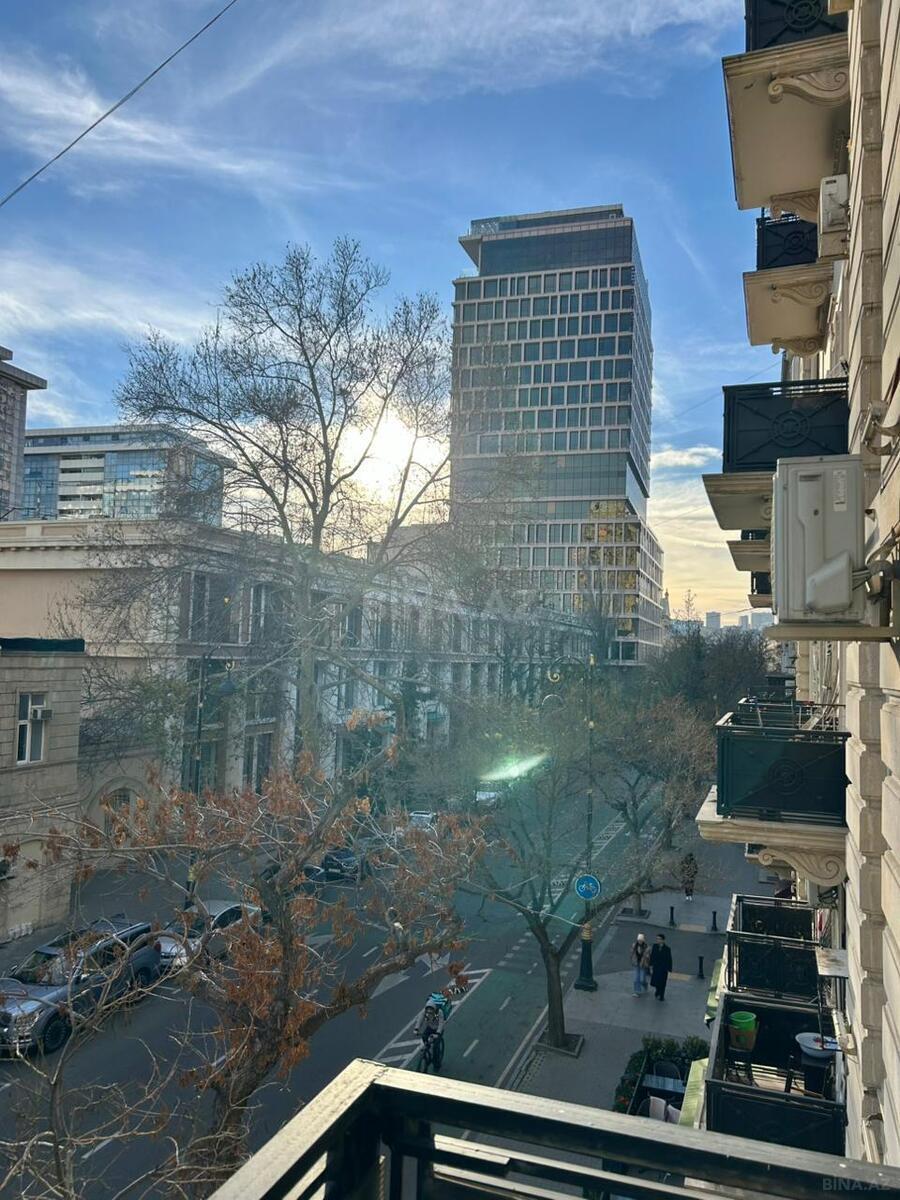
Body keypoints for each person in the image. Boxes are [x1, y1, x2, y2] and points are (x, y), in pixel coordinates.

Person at [649, 933, 673, 1001]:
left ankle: (662, 995)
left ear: (663, 940)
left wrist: (669, 968)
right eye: (657, 939)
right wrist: (651, 966)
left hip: (663, 969)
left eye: (659, 939)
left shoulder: (667, 949)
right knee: (656, 981)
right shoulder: (655, 946)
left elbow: (669, 959)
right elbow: (652, 956)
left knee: (663, 982)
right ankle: (657, 991)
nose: (658, 940)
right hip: (656, 967)